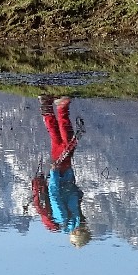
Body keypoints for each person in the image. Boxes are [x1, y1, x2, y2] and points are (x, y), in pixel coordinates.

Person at [30, 95, 91, 246]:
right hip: (65, 174)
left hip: (61, 173)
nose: (86, 227)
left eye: (85, 231)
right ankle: (46, 104)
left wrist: (55, 173)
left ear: (78, 233)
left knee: (67, 140)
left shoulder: (64, 219)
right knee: (57, 140)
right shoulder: (75, 218)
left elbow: (54, 195)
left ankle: (61, 107)